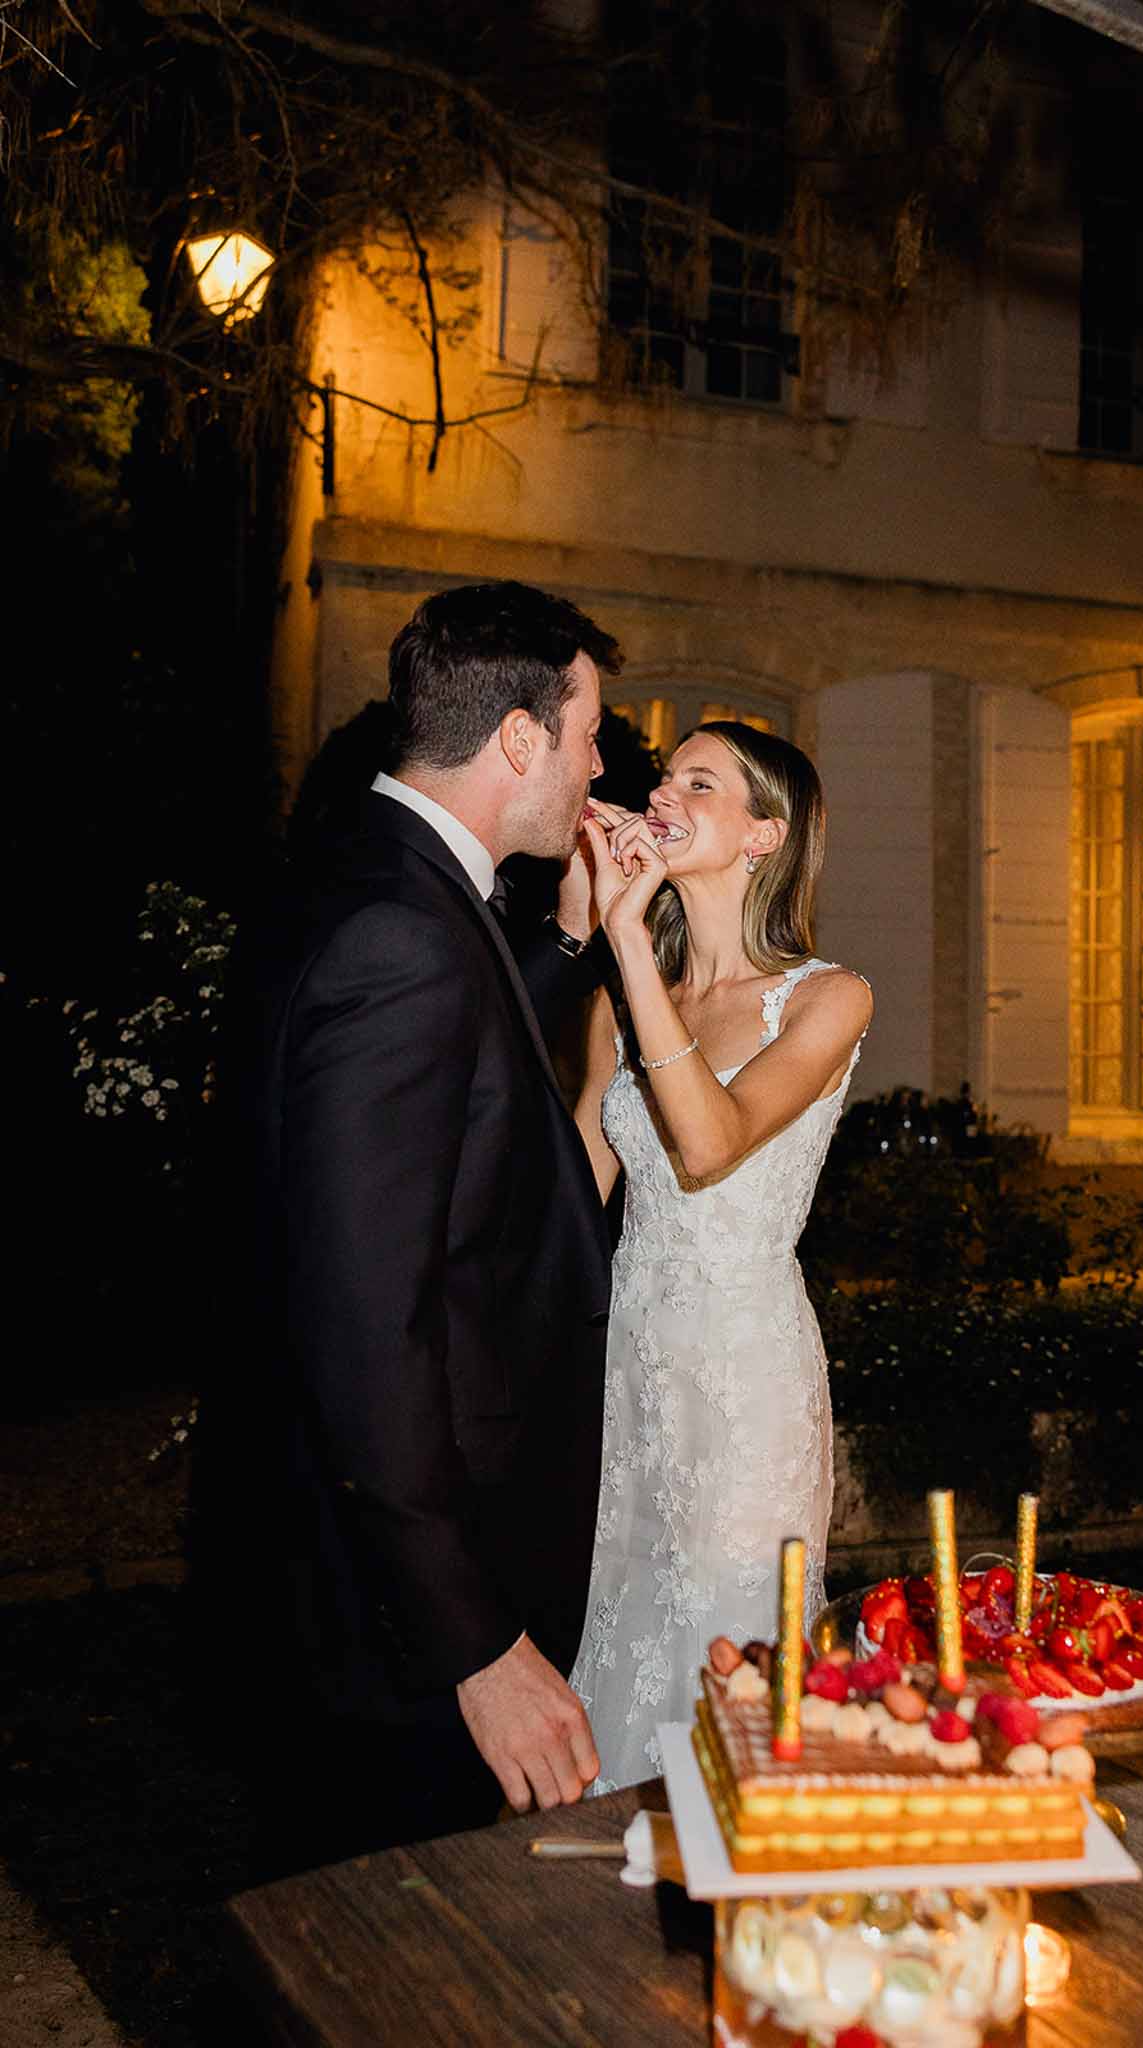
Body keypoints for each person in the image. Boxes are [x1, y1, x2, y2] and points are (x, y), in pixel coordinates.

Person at [197, 580, 630, 1876]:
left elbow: (450, 1078)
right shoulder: (404, 933)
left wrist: (560, 947)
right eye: (588, 732)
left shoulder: (366, 877)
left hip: (323, 1568)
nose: (601, 764)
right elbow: (366, 1323)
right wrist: (475, 1647)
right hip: (381, 1617)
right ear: (517, 737)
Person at [567, 722, 873, 1790]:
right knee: (624, 1606)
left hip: (746, 1380)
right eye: (664, 776)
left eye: (700, 780)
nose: (662, 791)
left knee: (724, 1632)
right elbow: (567, 1194)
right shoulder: (622, 1000)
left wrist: (625, 946)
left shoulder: (829, 997)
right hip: (635, 1362)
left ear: (762, 835)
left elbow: (709, 1142)